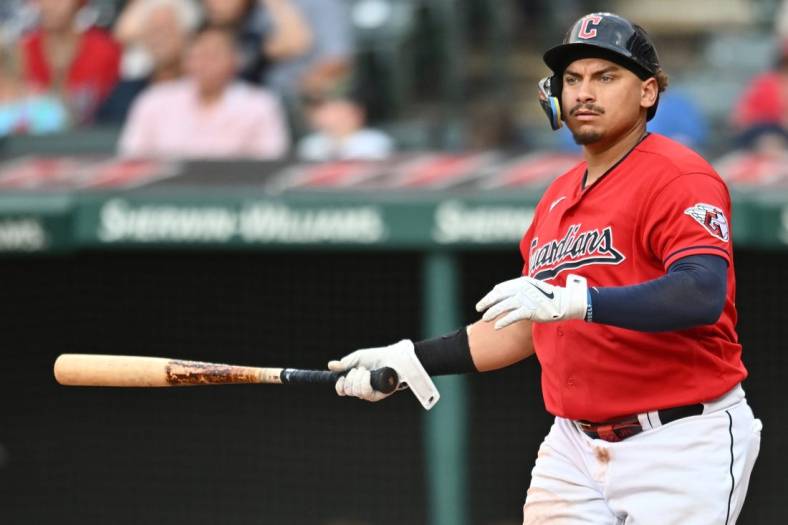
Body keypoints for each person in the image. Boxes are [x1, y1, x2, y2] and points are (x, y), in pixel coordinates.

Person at [329, 13, 761, 524]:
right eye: (573, 79)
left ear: (648, 92)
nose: (584, 92)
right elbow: (524, 330)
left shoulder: (679, 176)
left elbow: (702, 292)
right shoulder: (556, 197)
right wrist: (411, 359)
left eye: (605, 77)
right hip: (574, 446)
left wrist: (578, 302)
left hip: (679, 440)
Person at [118, 26, 289, 159]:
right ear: (186, 60)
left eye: (213, 56)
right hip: (163, 199)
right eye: (198, 55)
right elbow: (131, 158)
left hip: (236, 197)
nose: (204, 63)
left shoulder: (259, 104)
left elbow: (270, 163)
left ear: (234, 61)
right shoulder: (155, 100)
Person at [97, 0, 201, 124]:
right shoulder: (126, 93)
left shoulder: (203, 89)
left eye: (167, 29)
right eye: (153, 31)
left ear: (187, 36)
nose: (159, 39)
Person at [18, 0, 120, 124]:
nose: (51, 5)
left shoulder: (104, 51)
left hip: (92, 137)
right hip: (33, 140)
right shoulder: (22, 52)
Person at [296, 88, 393, 161]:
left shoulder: (374, 142)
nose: (335, 117)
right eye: (330, 111)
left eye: (341, 112)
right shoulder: (310, 145)